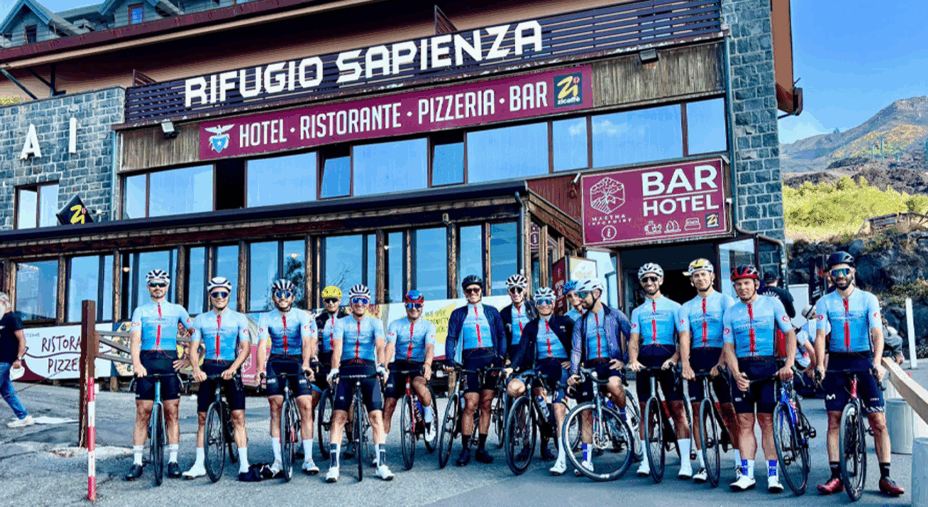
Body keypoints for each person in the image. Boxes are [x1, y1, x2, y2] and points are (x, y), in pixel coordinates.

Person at [813, 252, 904, 496]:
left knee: (878, 421)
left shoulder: (868, 299)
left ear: (853, 272)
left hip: (863, 359)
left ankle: (886, 477)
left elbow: (877, 333)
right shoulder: (824, 302)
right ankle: (836, 477)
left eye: (844, 271)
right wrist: (820, 364)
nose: (840, 276)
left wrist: (877, 362)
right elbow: (820, 336)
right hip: (837, 361)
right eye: (835, 272)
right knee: (833, 420)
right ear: (829, 275)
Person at [722, 265, 796, 493]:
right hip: (743, 370)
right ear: (734, 288)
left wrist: (789, 364)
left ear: (756, 284)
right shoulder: (731, 312)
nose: (743, 287)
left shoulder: (772, 303)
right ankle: (747, 475)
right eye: (738, 284)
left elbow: (789, 332)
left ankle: (773, 476)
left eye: (747, 283)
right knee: (744, 424)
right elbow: (728, 346)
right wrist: (735, 374)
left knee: (766, 424)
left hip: (768, 369)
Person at [125, 269, 195, 481]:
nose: (157, 287)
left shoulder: (177, 310)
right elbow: (135, 339)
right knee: (143, 413)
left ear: (167, 286)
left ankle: (173, 460)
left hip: (168, 362)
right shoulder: (140, 311)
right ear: (148, 287)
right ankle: (137, 462)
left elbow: (196, 333)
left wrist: (189, 360)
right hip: (146, 361)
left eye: (161, 284)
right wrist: (136, 364)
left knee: (171, 412)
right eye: (153, 284)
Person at [184, 277, 256, 481]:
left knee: (238, 417)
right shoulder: (200, 319)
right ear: (210, 296)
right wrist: (196, 369)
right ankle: (199, 464)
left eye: (223, 293)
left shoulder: (239, 318)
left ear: (229, 295)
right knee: (202, 418)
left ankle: (244, 465)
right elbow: (194, 347)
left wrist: (234, 368)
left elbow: (245, 347)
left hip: (230, 366)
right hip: (208, 367)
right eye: (215, 294)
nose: (219, 297)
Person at [677, 259, 739, 483]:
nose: (701, 279)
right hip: (697, 356)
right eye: (696, 276)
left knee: (729, 409)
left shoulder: (725, 300)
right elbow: (684, 336)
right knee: (696, 412)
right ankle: (703, 464)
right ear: (692, 280)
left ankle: (741, 463)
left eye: (704, 274)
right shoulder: (686, 307)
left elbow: (728, 334)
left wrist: (721, 362)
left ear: (712, 276)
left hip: (719, 354)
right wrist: (685, 363)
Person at [627, 263, 692, 479]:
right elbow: (634, 339)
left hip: (668, 359)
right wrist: (634, 360)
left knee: (677, 410)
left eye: (653, 279)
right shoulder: (637, 311)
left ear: (660, 281)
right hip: (646, 360)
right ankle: (646, 461)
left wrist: (676, 359)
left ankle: (685, 462)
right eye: (645, 280)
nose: (649, 283)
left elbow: (683, 336)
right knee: (646, 411)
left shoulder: (676, 307)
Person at [325, 284, 393, 482]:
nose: (360, 303)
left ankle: (381, 464)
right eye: (356, 300)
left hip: (368, 368)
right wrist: (334, 369)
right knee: (338, 417)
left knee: (376, 417)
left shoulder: (375, 323)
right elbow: (336, 349)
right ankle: (333, 466)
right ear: (350, 303)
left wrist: (382, 366)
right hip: (346, 367)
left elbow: (380, 346)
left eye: (364, 300)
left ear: (368, 303)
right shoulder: (340, 323)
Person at [567, 277, 631, 475]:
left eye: (584, 294)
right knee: (585, 412)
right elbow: (576, 351)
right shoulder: (580, 321)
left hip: (611, 363)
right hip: (590, 366)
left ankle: (623, 415)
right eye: (579, 295)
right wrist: (574, 373)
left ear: (597, 294)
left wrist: (626, 361)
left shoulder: (615, 314)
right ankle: (586, 461)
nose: (581, 299)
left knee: (613, 385)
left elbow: (633, 337)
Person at [506, 287, 574, 474]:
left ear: (553, 303)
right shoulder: (531, 326)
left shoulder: (565, 322)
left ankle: (561, 457)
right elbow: (520, 350)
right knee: (513, 388)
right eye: (540, 301)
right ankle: (543, 420)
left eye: (547, 301)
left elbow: (578, 344)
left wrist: (574, 361)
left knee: (558, 407)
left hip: (562, 366)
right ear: (535, 305)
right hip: (540, 366)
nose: (544, 305)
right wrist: (512, 367)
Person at [255, 279, 319, 477]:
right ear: (274, 297)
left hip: (297, 360)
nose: (283, 298)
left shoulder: (302, 315)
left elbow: (307, 341)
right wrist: (259, 368)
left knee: (306, 405)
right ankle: (278, 461)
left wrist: (307, 364)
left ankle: (308, 459)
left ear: (292, 297)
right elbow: (262, 344)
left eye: (286, 294)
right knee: (275, 406)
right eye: (279, 294)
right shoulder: (265, 317)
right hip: (275, 361)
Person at [444, 274, 507, 467]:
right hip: (470, 361)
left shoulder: (492, 311)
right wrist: (449, 358)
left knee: (486, 404)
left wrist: (500, 358)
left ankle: (481, 447)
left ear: (481, 291)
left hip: (490, 361)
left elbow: (501, 335)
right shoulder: (458, 313)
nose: (472, 293)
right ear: (464, 292)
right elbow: (451, 337)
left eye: (476, 290)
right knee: (470, 404)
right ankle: (465, 449)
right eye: (469, 290)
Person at [382, 290, 436, 442]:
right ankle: (381, 446)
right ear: (405, 306)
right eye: (411, 305)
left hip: (418, 364)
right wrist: (385, 365)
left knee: (418, 385)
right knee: (388, 404)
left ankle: (428, 420)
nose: (414, 308)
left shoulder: (428, 326)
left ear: (422, 307)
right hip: (399, 364)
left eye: (417, 305)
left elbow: (429, 347)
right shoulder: (396, 324)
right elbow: (390, 346)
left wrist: (428, 364)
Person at [314, 286, 348, 450]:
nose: (331, 303)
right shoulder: (317, 320)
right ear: (323, 301)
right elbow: (312, 342)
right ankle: (301, 439)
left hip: (344, 362)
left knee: (347, 403)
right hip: (323, 363)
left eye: (334, 300)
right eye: (328, 300)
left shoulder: (348, 318)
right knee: (309, 401)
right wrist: (312, 357)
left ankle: (352, 438)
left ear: (340, 301)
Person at [0, 292, 32, 428]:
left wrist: (19, 359)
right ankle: (24, 417)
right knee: (7, 392)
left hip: (5, 361)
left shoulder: (12, 318)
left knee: (7, 391)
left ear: (3, 302)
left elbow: (22, 339)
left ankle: (23, 416)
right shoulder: (1, 319)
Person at [501, 274, 537, 364]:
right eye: (513, 290)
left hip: (532, 347)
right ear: (509, 293)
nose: (516, 293)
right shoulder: (504, 312)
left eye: (519, 289)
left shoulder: (534, 307)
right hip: (514, 348)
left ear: (524, 291)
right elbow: (503, 336)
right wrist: (506, 356)